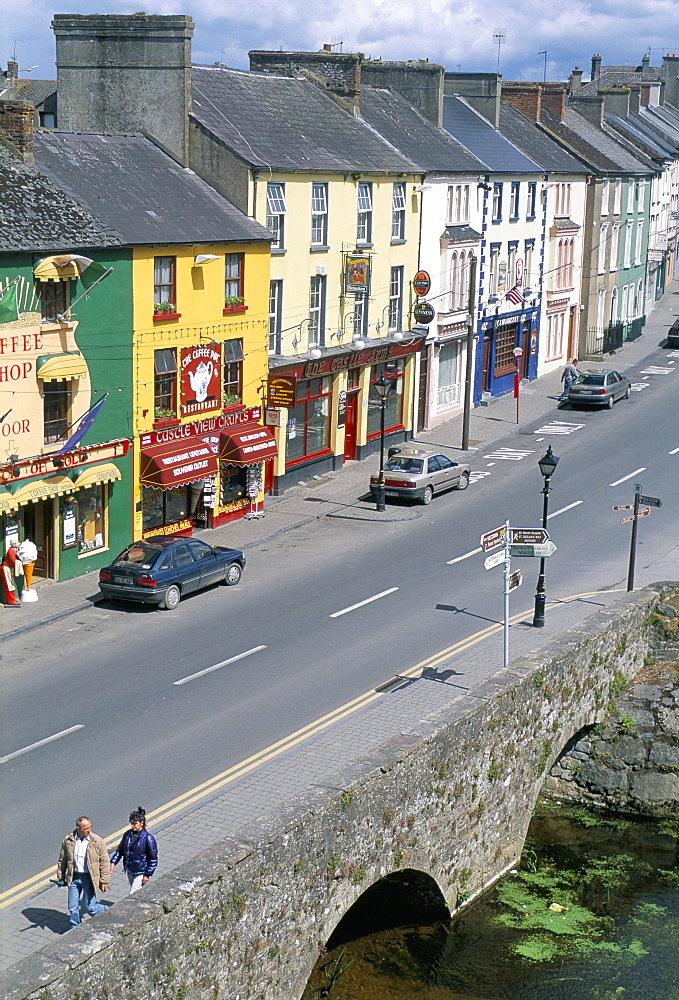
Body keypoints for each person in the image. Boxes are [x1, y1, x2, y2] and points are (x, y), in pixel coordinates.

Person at [57, 816, 110, 927]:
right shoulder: (68, 841)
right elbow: (63, 859)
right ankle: (74, 928)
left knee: (91, 907)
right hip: (74, 878)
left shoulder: (97, 841)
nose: (89, 830)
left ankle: (108, 910)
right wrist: (61, 877)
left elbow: (104, 862)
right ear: (78, 828)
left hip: (89, 879)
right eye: (86, 828)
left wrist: (104, 881)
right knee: (73, 907)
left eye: (89, 827)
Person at [109, 807, 158, 894]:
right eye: (131, 823)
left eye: (135, 823)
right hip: (130, 870)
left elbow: (153, 859)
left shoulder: (148, 838)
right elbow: (120, 850)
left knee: (132, 894)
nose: (132, 826)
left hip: (141, 872)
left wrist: (147, 875)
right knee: (137, 894)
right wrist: (113, 862)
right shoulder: (128, 835)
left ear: (142, 823)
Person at [1, 542, 22, 606]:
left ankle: (12, 599)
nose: (19, 543)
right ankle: (10, 601)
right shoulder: (11, 551)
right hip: (6, 568)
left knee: (10, 584)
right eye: (18, 543)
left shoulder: (14, 550)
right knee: (8, 584)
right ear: (14, 544)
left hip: (9, 568)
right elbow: (13, 560)